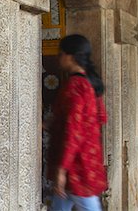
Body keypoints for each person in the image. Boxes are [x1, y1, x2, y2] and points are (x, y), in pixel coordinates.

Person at [47, 34, 108, 211]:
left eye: (60, 54)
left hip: (76, 166)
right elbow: (101, 117)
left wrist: (62, 170)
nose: (59, 58)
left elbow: (74, 130)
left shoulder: (75, 86)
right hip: (88, 160)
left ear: (70, 56)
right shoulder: (90, 83)